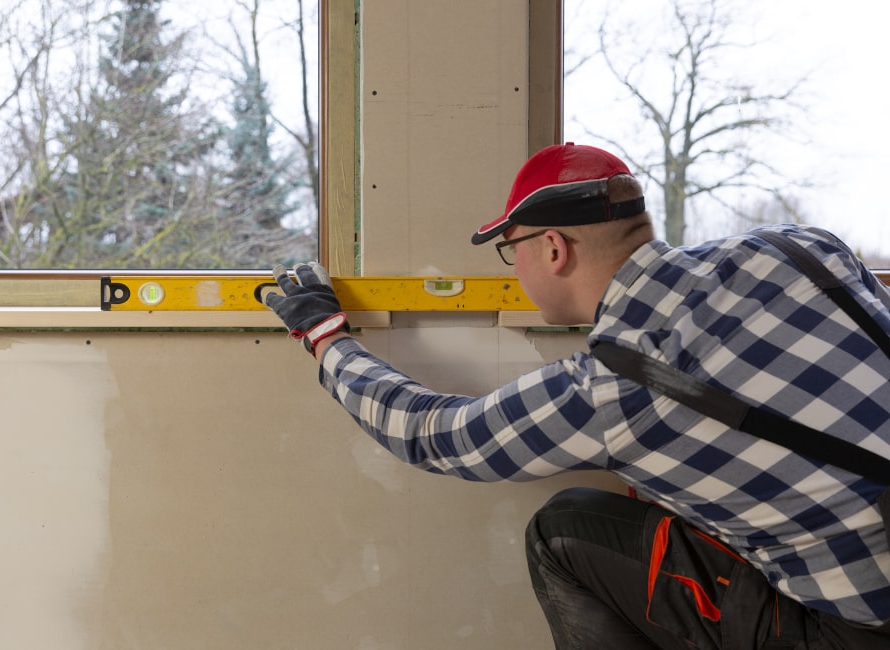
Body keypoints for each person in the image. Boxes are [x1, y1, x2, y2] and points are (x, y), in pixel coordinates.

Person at [256, 142, 890, 649]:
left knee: (563, 531)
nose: (517, 270)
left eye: (512, 252)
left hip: (858, 630)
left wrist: (324, 335)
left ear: (552, 250)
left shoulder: (612, 388)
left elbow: (434, 435)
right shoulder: (804, 250)